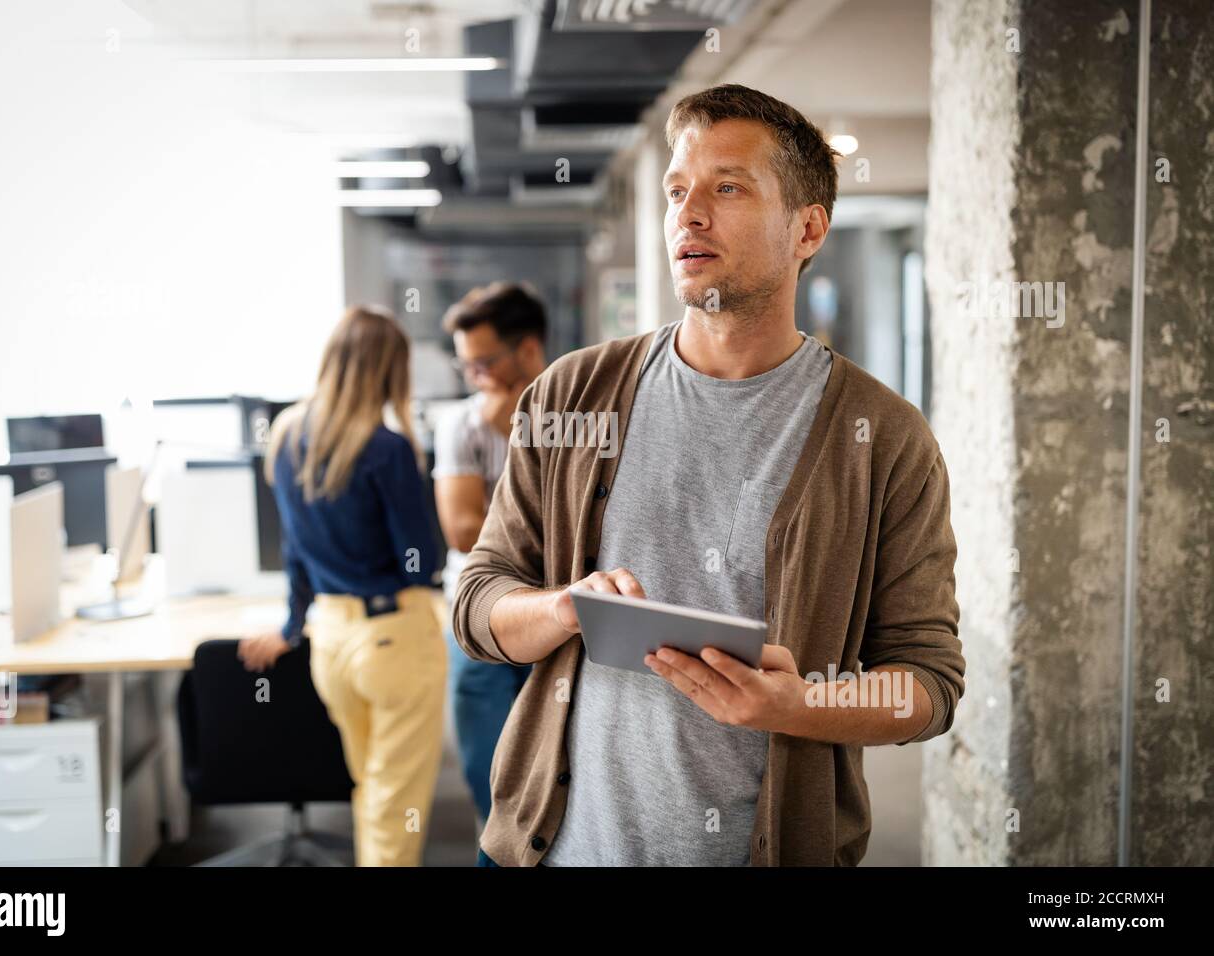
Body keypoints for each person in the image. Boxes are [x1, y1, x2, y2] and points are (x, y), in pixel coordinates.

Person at [453, 84, 966, 867]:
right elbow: (480, 596)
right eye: (677, 190)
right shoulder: (570, 395)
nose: (689, 214)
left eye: (727, 187)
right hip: (557, 848)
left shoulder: (883, 437)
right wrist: (563, 608)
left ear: (808, 228)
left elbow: (927, 684)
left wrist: (803, 704)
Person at [238, 305, 444, 867]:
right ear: (388, 371)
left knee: (371, 793)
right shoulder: (389, 449)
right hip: (393, 639)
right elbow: (421, 561)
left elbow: (294, 551)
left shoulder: (285, 435)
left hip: (329, 642)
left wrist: (290, 625)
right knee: (392, 802)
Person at [432, 282, 547, 828]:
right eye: (467, 368)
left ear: (528, 350)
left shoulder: (584, 416)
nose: (476, 379)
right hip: (478, 620)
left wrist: (526, 434)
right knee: (488, 773)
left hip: (558, 619)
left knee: (557, 771)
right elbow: (460, 530)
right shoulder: (461, 425)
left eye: (484, 364)